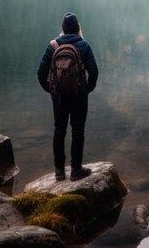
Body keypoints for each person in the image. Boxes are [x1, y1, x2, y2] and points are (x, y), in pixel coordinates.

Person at [37, 12, 99, 181]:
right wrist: (87, 89)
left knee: (59, 130)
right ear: (78, 28)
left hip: (59, 97)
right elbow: (93, 72)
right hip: (79, 95)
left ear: (63, 29)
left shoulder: (53, 46)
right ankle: (76, 170)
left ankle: (59, 171)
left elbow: (41, 74)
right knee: (78, 131)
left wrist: (51, 90)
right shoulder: (84, 45)